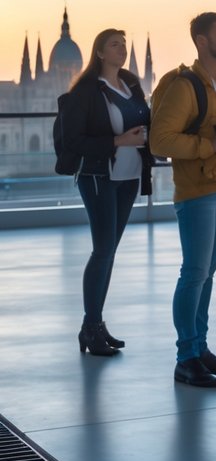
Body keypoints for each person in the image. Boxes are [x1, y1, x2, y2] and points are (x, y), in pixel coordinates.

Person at [150, 12, 216, 388]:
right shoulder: (183, 86)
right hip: (197, 193)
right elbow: (160, 141)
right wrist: (209, 146)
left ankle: (200, 348)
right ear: (200, 40)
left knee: (206, 274)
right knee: (194, 273)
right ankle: (186, 357)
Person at [61, 29, 153, 356]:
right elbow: (74, 140)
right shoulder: (87, 91)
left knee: (109, 251)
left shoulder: (129, 85)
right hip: (99, 176)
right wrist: (117, 141)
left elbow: (146, 120)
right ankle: (90, 326)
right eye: (115, 45)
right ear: (99, 52)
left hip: (128, 176)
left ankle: (96, 324)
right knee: (102, 251)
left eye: (125, 45)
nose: (122, 50)